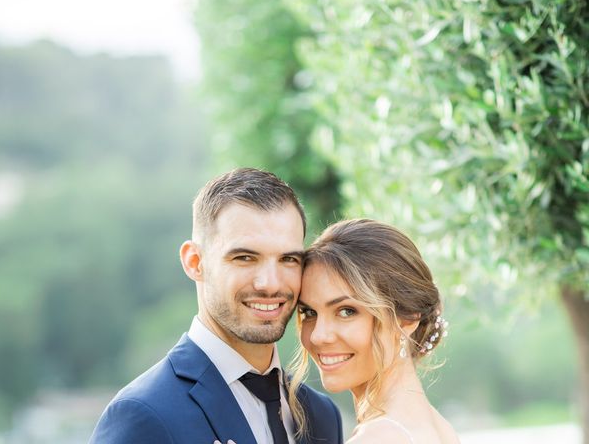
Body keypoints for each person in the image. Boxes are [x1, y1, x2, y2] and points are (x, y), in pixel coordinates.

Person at [90, 168, 343, 444]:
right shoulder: (142, 414)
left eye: (288, 259)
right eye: (245, 258)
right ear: (195, 261)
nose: (270, 284)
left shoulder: (321, 415)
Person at [293, 218, 460, 444]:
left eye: (346, 311)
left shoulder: (377, 437)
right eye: (309, 312)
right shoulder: (441, 429)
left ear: (407, 318)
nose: (318, 336)